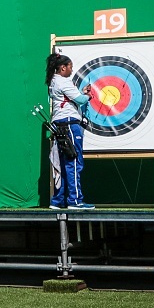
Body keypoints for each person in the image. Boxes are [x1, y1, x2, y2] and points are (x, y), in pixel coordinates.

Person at [47, 52, 94, 209]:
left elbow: (67, 98)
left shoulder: (53, 82)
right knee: (73, 163)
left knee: (62, 163)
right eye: (70, 67)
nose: (71, 71)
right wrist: (87, 96)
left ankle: (58, 201)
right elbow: (79, 100)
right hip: (69, 125)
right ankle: (75, 201)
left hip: (59, 125)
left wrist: (81, 92)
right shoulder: (63, 81)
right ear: (62, 68)